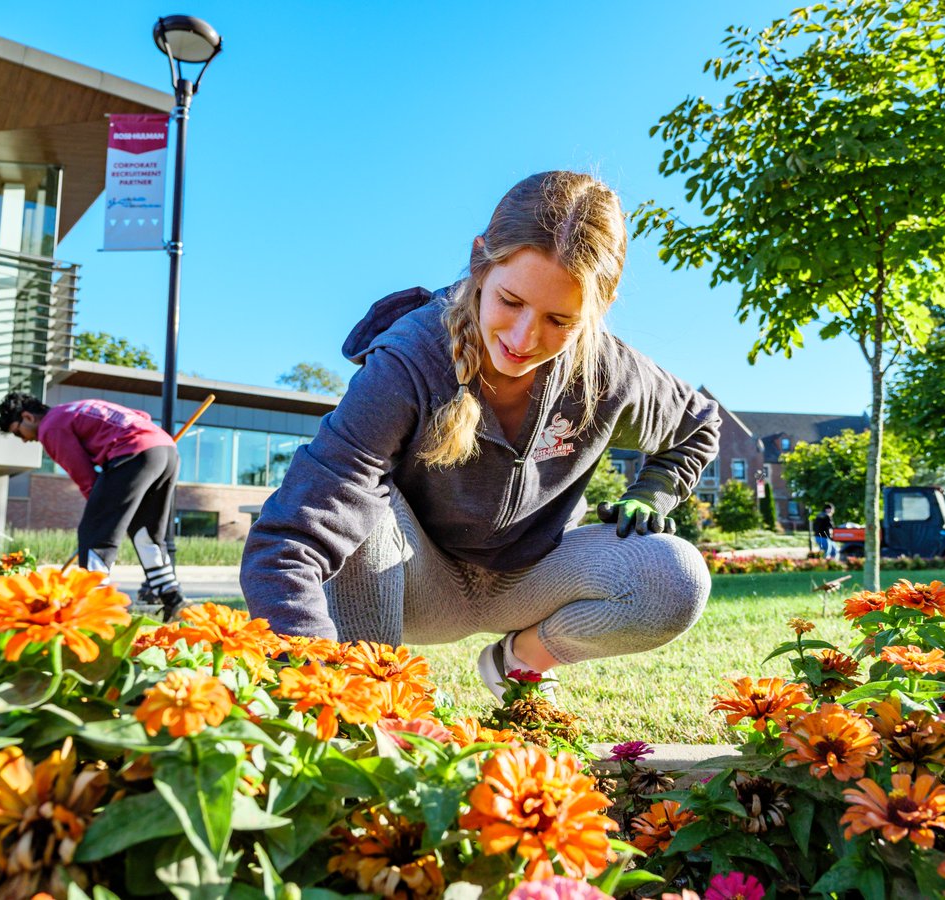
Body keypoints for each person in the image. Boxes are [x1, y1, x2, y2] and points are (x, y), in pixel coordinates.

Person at [241, 171, 721, 699]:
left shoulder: (609, 373)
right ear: (479, 263)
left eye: (559, 320)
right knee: (359, 511)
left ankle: (519, 662)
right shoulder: (409, 361)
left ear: (596, 311)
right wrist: (317, 679)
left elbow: (699, 426)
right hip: (410, 581)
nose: (523, 338)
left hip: (534, 580)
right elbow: (290, 540)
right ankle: (366, 709)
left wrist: (652, 492)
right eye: (511, 301)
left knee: (675, 577)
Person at [0, 393, 186, 617]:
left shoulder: (50, 427)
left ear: (27, 417)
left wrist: (103, 513)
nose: (24, 440)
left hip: (133, 451)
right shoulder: (76, 407)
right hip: (164, 449)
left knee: (94, 534)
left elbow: (84, 475)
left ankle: (98, 607)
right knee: (146, 532)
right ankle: (172, 598)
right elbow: (141, 415)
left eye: (18, 433)